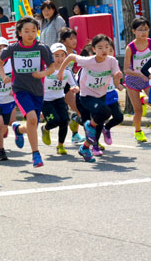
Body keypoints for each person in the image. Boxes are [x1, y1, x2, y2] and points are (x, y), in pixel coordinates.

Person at [0, 16, 55, 168]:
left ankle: (17, 128)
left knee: (32, 125)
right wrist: (3, 76)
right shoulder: (13, 48)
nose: (30, 34)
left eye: (34, 31)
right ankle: (36, 154)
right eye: (27, 31)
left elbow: (52, 67)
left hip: (37, 91)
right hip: (20, 89)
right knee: (32, 118)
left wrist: (42, 74)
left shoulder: (42, 48)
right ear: (19, 32)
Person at [58, 34, 123, 162]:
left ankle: (85, 148)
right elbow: (70, 57)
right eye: (100, 47)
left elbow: (115, 81)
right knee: (106, 112)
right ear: (93, 49)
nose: (104, 50)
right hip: (87, 96)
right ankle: (88, 125)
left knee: (97, 125)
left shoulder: (112, 61)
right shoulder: (88, 61)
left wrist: (118, 79)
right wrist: (61, 71)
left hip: (101, 95)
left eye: (106, 47)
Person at [41, 43, 78, 154]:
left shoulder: (67, 71)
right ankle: (45, 129)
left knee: (64, 121)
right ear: (51, 57)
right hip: (46, 101)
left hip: (59, 99)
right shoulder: (46, 70)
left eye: (62, 55)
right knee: (55, 121)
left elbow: (74, 84)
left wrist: (75, 88)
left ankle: (60, 146)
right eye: (56, 55)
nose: (60, 58)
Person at [123, 17, 151, 142]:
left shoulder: (150, 43)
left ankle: (143, 100)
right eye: (140, 30)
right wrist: (139, 74)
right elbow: (126, 70)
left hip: (147, 79)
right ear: (134, 31)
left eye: (146, 29)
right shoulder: (130, 47)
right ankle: (138, 131)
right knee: (137, 110)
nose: (144, 32)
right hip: (133, 80)